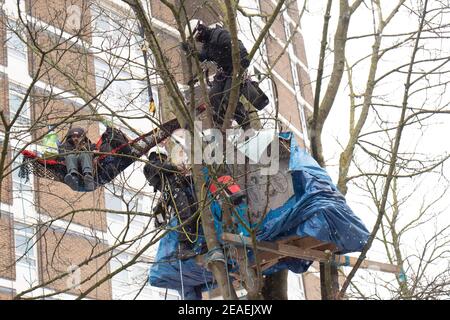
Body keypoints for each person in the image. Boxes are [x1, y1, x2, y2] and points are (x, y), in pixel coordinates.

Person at [181, 19, 251, 129]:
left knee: (229, 97)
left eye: (197, 38)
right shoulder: (207, 45)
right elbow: (203, 57)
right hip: (223, 72)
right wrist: (189, 50)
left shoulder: (219, 35)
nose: (198, 40)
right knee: (214, 96)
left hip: (235, 69)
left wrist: (244, 58)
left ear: (200, 31)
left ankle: (245, 124)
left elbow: (237, 44)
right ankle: (221, 122)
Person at [143, 145, 200, 260]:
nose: (164, 159)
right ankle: (183, 248)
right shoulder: (150, 166)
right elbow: (164, 167)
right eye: (163, 157)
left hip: (175, 191)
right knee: (185, 214)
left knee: (195, 214)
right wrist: (177, 167)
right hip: (173, 192)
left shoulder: (166, 171)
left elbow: (180, 179)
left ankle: (193, 244)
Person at [59, 127, 96, 191]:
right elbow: (61, 156)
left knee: (84, 154)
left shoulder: (88, 145)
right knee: (70, 156)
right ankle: (73, 178)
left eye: (78, 136)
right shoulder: (65, 146)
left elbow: (95, 151)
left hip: (85, 162)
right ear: (70, 137)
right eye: (73, 136)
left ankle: (88, 177)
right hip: (71, 163)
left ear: (82, 137)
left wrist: (93, 151)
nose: (76, 138)